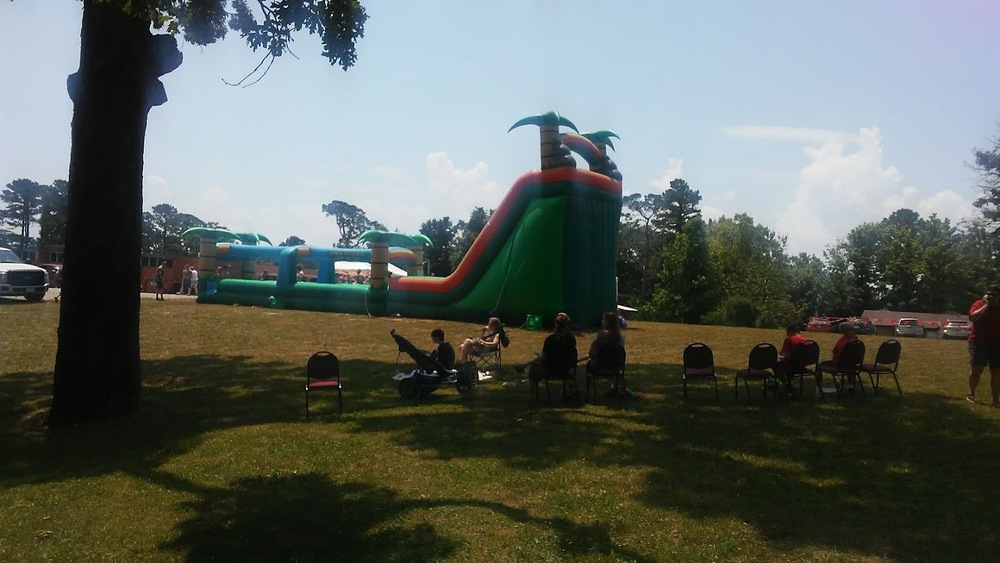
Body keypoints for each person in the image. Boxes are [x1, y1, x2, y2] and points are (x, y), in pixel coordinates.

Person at [523, 312, 578, 397]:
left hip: (550, 371)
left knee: (533, 369)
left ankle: (532, 396)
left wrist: (533, 360)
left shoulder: (550, 340)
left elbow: (544, 357)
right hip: (566, 370)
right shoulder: (572, 340)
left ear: (556, 325)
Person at [967, 285, 1000, 406]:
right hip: (978, 342)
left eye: (994, 295)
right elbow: (973, 317)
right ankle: (971, 394)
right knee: (977, 369)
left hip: (997, 344)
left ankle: (996, 400)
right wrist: (986, 306)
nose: (991, 297)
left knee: (996, 372)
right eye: (989, 294)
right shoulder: (979, 304)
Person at [815, 321, 858, 394]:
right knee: (850, 365)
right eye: (853, 329)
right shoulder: (856, 340)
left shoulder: (841, 341)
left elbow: (835, 353)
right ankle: (851, 385)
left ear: (843, 331)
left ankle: (818, 387)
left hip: (839, 365)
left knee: (819, 365)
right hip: (852, 365)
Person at [775, 323, 807, 395]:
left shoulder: (789, 340)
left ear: (789, 331)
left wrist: (780, 358)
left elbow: (787, 357)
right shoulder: (805, 340)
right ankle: (789, 383)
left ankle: (786, 383)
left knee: (775, 365)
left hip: (791, 366)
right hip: (802, 366)